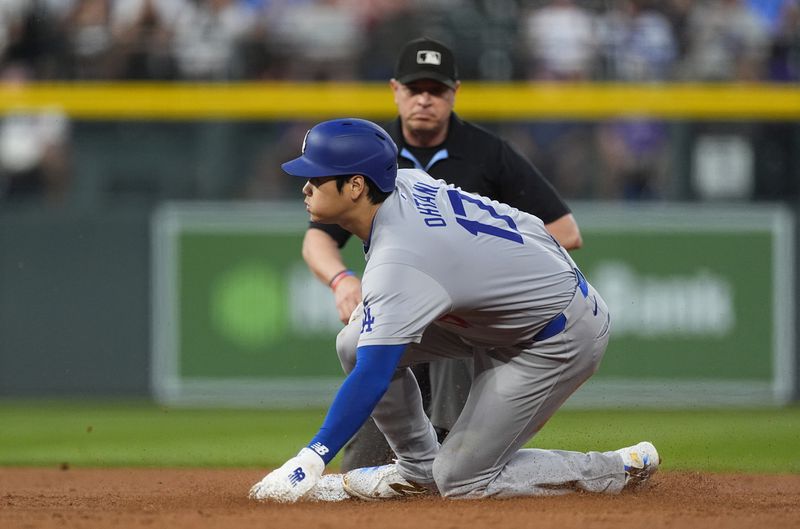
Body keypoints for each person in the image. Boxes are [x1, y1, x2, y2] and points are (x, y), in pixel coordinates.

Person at [248, 118, 659, 502]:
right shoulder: (404, 181)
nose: (305, 187)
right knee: (355, 343)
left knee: (461, 480)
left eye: (316, 178)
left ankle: (615, 468)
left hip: (556, 335)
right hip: (507, 313)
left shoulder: (400, 262)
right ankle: (417, 469)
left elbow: (373, 376)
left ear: (356, 186)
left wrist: (311, 458)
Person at [301, 37, 583, 472]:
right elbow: (317, 237)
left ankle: (454, 461)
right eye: (416, 89)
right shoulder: (370, 150)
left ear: (454, 93)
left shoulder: (487, 151)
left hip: (461, 318)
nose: (425, 100)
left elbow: (565, 231)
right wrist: (342, 280)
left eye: (436, 90)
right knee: (362, 466)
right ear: (396, 90)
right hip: (396, 302)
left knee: (455, 462)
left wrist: (484, 268)